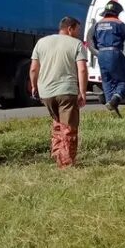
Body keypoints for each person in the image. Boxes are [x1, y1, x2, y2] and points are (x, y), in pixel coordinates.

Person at [30, 16, 89, 168]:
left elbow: (34, 69)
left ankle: (57, 156)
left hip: (46, 92)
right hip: (67, 91)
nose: (78, 33)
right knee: (69, 128)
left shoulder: (41, 43)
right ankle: (66, 163)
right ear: (70, 29)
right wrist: (82, 92)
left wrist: (34, 86)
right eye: (77, 30)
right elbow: (82, 69)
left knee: (57, 124)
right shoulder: (76, 44)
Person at [88, 0, 125, 117]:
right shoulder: (118, 23)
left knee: (107, 81)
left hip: (101, 55)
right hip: (114, 53)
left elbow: (90, 41)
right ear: (117, 12)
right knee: (123, 82)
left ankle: (112, 109)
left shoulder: (97, 25)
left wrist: (97, 52)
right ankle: (116, 98)